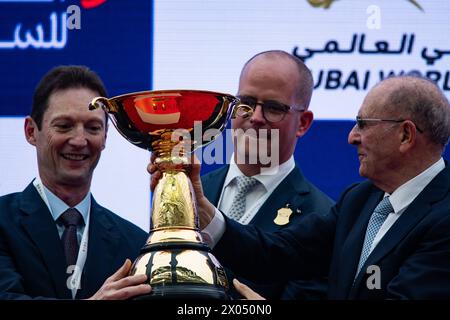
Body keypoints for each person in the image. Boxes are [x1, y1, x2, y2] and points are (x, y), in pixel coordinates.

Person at [151, 75, 450, 299]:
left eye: (363, 124)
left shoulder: (444, 220)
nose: (352, 137)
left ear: (405, 136)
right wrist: (203, 211)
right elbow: (281, 253)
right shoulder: (360, 201)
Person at [0, 66, 151, 300]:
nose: (80, 140)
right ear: (31, 131)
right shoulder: (2, 222)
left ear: (105, 138)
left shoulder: (135, 243)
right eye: (64, 126)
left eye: (93, 128)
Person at [201, 50, 333, 299]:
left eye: (274, 108)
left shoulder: (323, 218)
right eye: (247, 103)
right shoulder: (192, 194)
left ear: (303, 123)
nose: (256, 118)